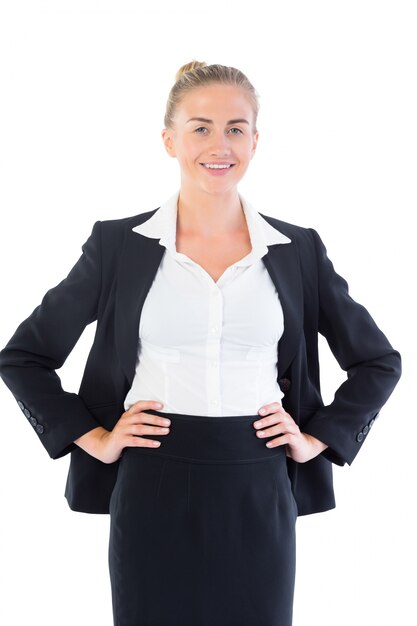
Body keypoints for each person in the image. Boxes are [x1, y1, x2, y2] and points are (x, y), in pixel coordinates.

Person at [0, 60, 401, 626]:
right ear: (169, 140)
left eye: (236, 128)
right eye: (201, 127)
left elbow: (378, 362)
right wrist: (94, 438)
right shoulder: (119, 245)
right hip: (152, 476)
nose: (220, 144)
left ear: (256, 141)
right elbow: (24, 357)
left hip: (257, 478)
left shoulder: (297, 249)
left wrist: (317, 438)